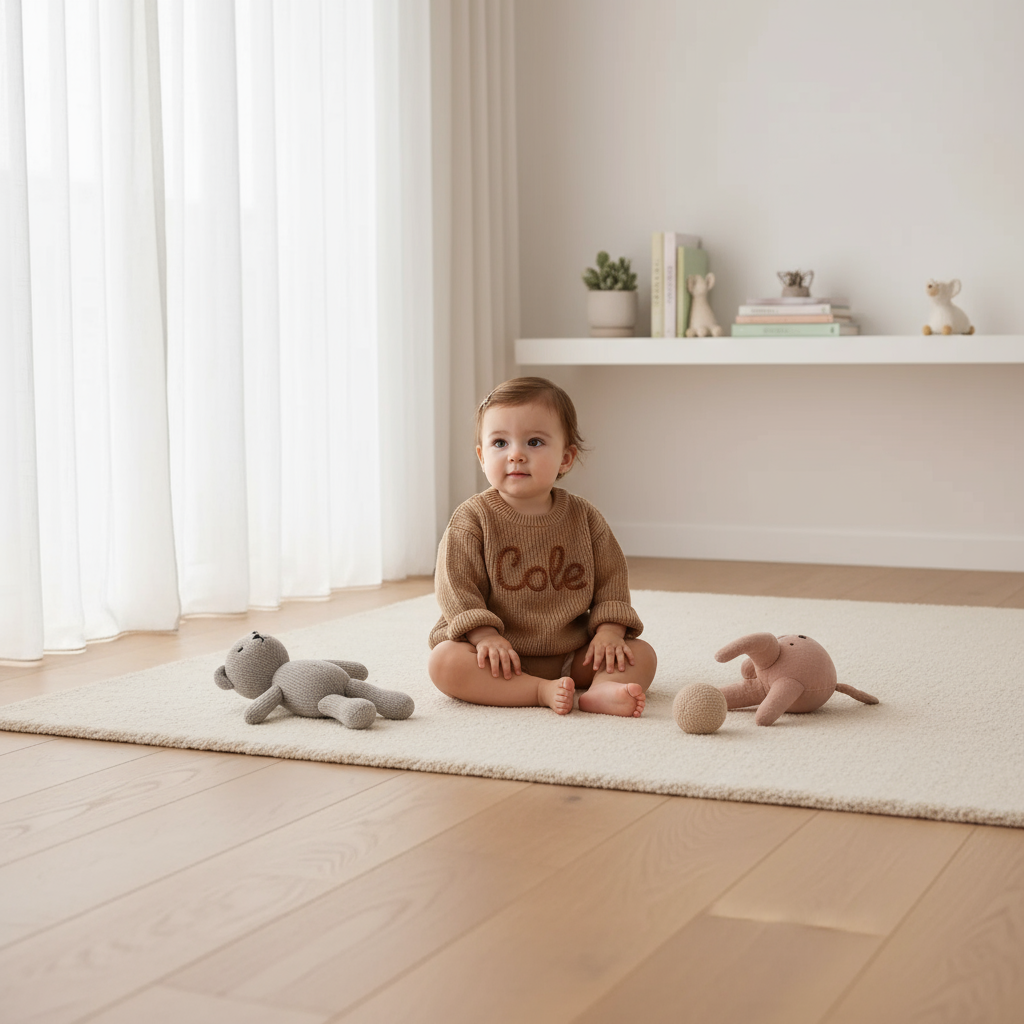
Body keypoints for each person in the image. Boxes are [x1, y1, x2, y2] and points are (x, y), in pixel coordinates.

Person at [427, 376, 657, 716]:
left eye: (534, 442)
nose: (516, 455)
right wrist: (485, 636)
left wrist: (608, 632)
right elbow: (455, 587)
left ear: (565, 459)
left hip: (571, 654)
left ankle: (601, 690)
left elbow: (612, 581)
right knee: (444, 662)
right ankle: (537, 690)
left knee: (641, 653)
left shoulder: (585, 519)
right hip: (495, 657)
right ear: (481, 456)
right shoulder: (472, 518)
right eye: (500, 443)